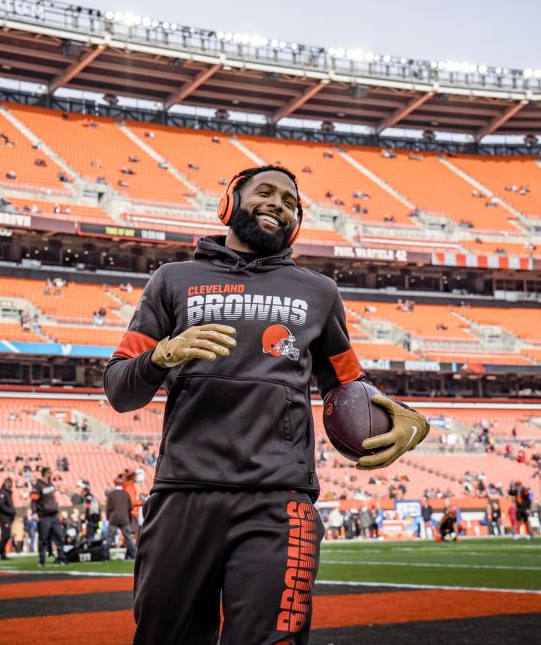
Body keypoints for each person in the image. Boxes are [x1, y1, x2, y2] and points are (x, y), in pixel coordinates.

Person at [103, 165, 429, 644]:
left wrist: (408, 419)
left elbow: (349, 384)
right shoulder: (172, 280)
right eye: (266, 192)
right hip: (181, 496)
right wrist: (160, 356)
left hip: (279, 501)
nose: (279, 203)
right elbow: (118, 389)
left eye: (290, 201)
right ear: (230, 202)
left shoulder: (319, 292)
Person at [31, 467, 64, 565]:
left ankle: (61, 558)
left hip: (54, 515)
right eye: (49, 473)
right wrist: (34, 513)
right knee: (43, 539)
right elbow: (33, 501)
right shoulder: (38, 486)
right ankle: (42, 560)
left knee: (59, 537)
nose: (51, 474)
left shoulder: (51, 484)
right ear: (45, 473)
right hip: (44, 516)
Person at [105, 476, 136, 559]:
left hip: (113, 519)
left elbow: (108, 508)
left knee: (109, 538)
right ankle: (134, 556)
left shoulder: (111, 494)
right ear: (122, 484)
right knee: (129, 538)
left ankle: (105, 557)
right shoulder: (126, 494)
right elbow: (131, 507)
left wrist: (108, 518)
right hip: (124, 519)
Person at [0, 477, 15, 560]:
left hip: (7, 517)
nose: (10, 484)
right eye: (9, 482)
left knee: (4, 535)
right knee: (6, 536)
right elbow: (2, 506)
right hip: (4, 518)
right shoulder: (3, 493)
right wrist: (11, 511)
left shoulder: (8, 492)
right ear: (5, 483)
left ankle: (2, 553)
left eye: (11, 482)